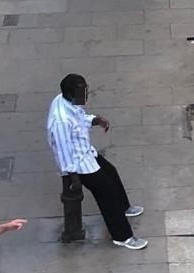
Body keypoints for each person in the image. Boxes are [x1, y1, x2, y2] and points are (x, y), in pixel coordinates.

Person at [47, 73, 148, 250]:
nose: (86, 95)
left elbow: (80, 118)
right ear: (71, 95)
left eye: (86, 90)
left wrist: (94, 120)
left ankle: (124, 207)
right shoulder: (61, 120)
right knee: (106, 195)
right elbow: (64, 151)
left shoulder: (68, 102)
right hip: (79, 165)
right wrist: (74, 178)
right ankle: (122, 236)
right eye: (82, 92)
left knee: (111, 172)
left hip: (86, 152)